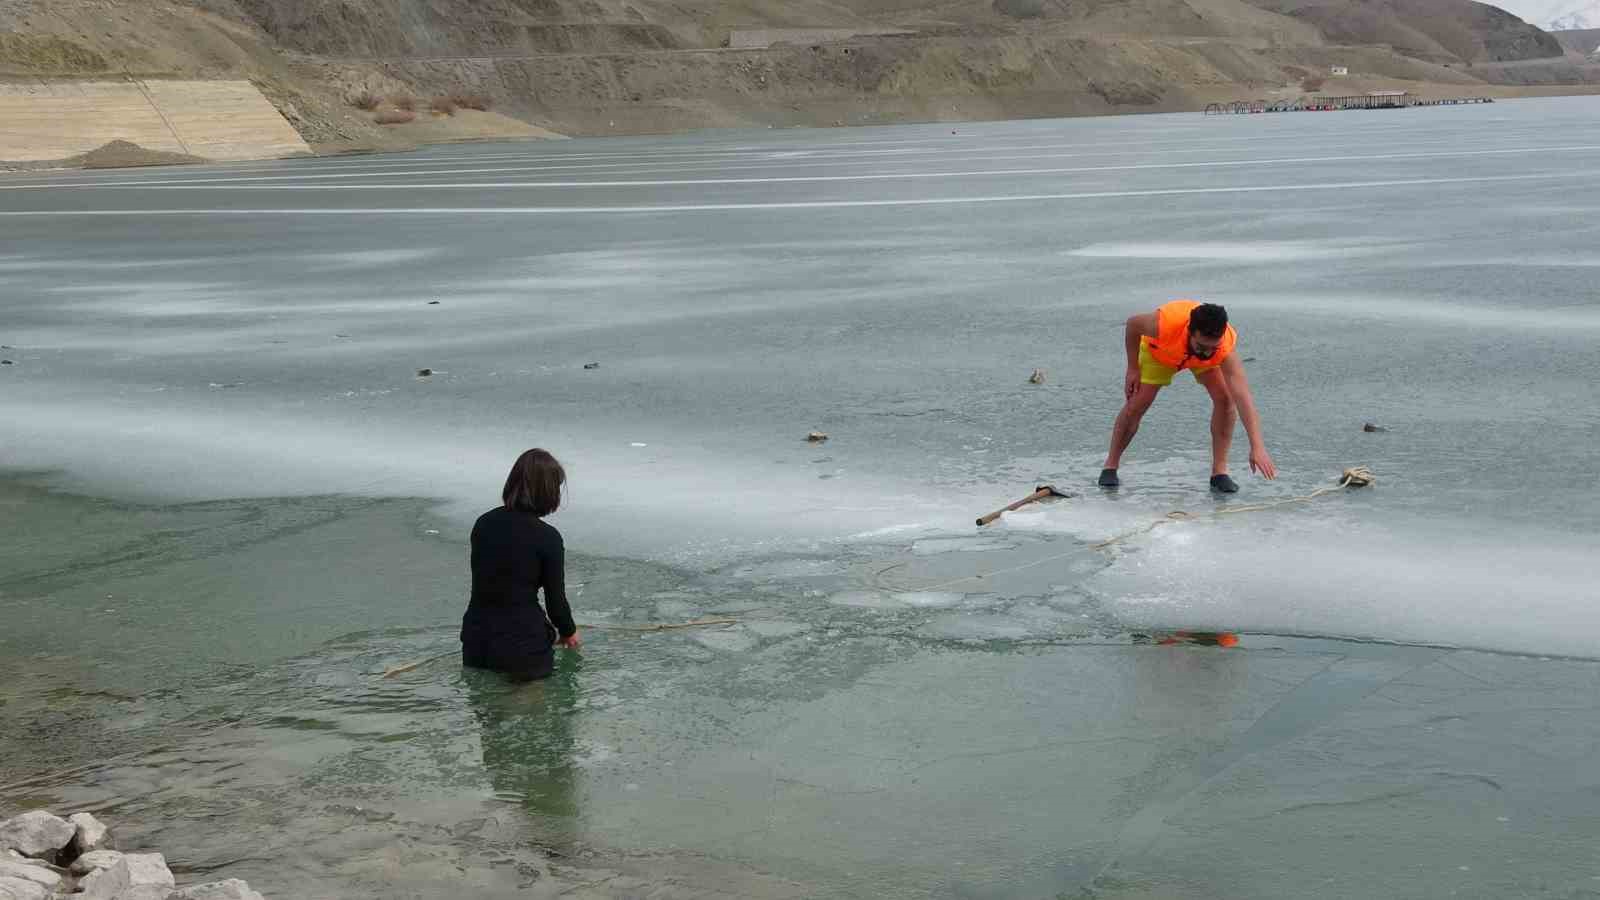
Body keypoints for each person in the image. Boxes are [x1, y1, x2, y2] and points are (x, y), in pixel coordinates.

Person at [1099, 300, 1277, 492]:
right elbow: (1133, 324)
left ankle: (1219, 472)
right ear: (1190, 331)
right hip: (1160, 353)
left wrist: (1257, 446)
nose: (1207, 352)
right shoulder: (1164, 324)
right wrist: (1132, 368)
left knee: (1226, 399)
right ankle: (1111, 465)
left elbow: (1243, 396)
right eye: (1202, 346)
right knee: (1137, 404)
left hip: (1202, 364)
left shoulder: (1222, 347)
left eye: (1213, 347)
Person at [462, 448, 581, 682]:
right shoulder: (547, 538)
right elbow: (555, 601)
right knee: (536, 717)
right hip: (523, 647)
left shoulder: (483, 524)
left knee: (490, 715)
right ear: (547, 491)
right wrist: (569, 632)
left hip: (477, 642)